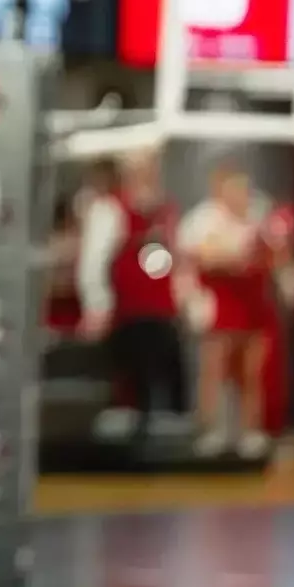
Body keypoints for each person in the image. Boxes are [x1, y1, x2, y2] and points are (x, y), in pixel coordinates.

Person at [74, 148, 187, 445]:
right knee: (130, 376)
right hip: (127, 310)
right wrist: (97, 305)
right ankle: (128, 438)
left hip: (161, 308)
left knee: (161, 373)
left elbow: (178, 257)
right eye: (142, 169)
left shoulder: (165, 210)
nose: (150, 175)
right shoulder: (111, 209)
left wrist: (186, 296)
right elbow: (94, 261)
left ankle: (157, 433)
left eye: (153, 168)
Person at [176, 160, 280, 460]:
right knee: (215, 369)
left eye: (244, 189)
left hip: (253, 303)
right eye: (234, 189)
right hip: (221, 303)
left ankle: (250, 433)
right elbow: (204, 257)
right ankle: (213, 432)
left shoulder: (260, 217)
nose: (240, 195)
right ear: (220, 191)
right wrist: (235, 257)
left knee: (251, 372)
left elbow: (272, 255)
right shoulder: (203, 219)